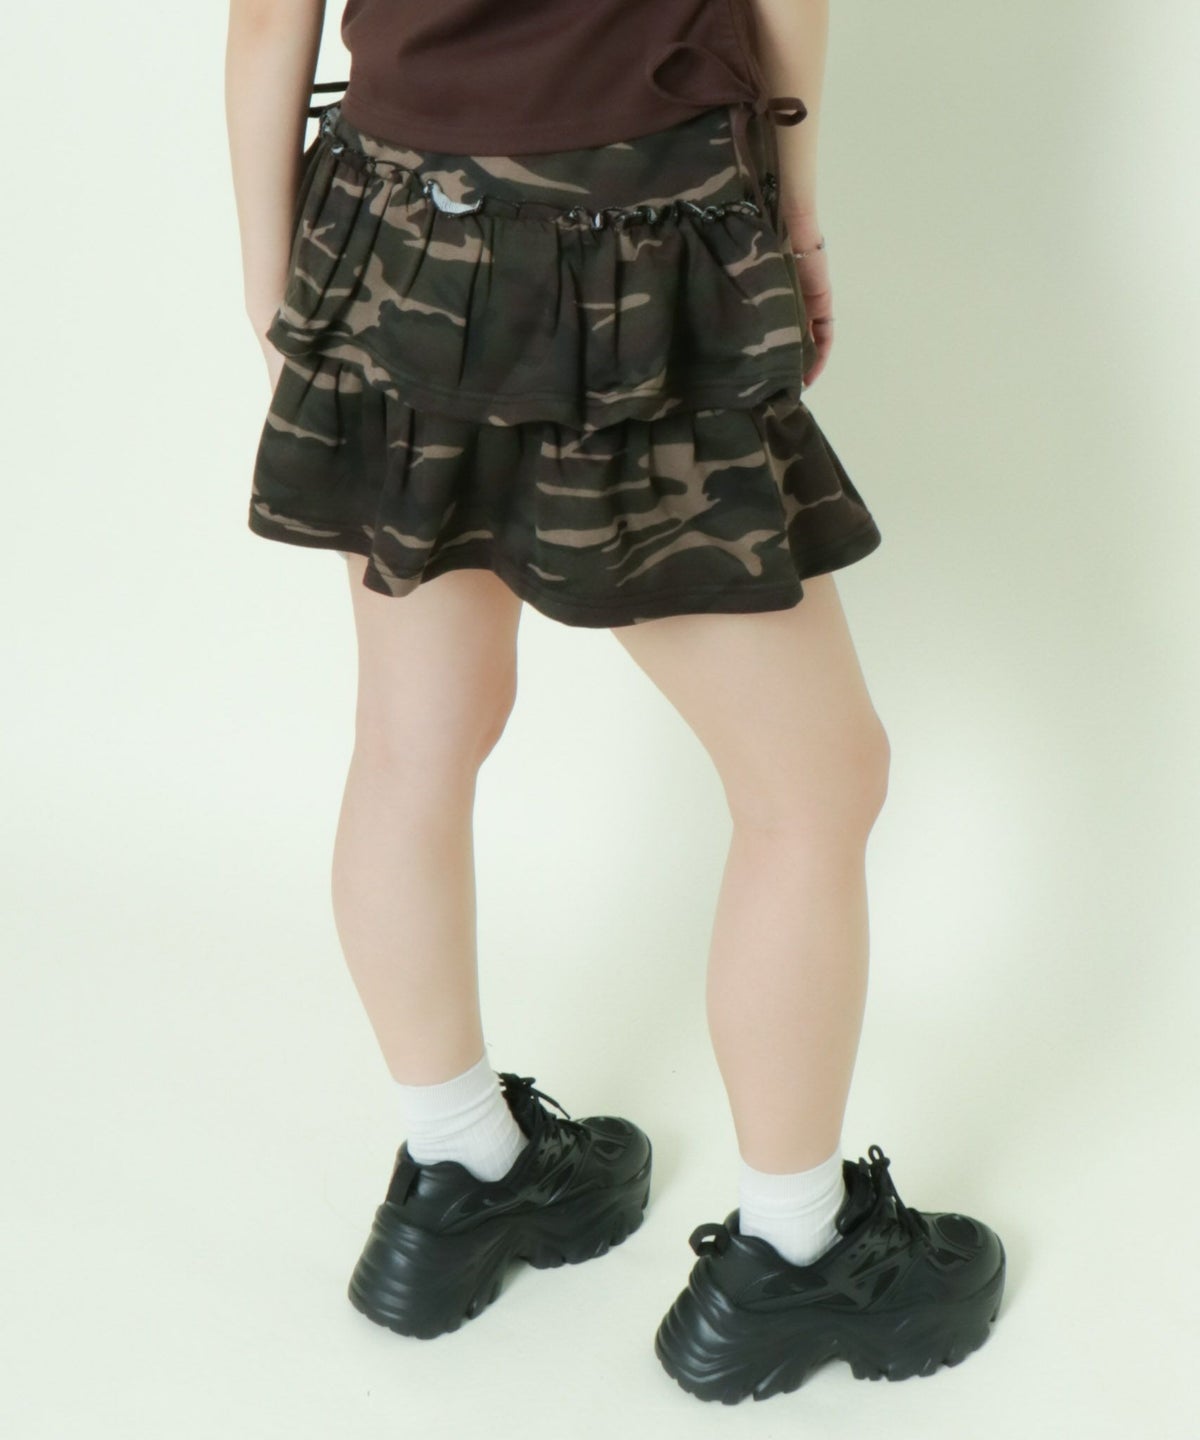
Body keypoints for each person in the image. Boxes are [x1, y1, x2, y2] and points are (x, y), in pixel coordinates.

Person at [225, 0, 1004, 1402]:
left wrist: (280, 287)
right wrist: (797, 221)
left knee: (412, 738)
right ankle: (795, 1250)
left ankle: (458, 1171)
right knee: (815, 785)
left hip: (386, 224)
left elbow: (265, 19)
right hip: (633, 248)